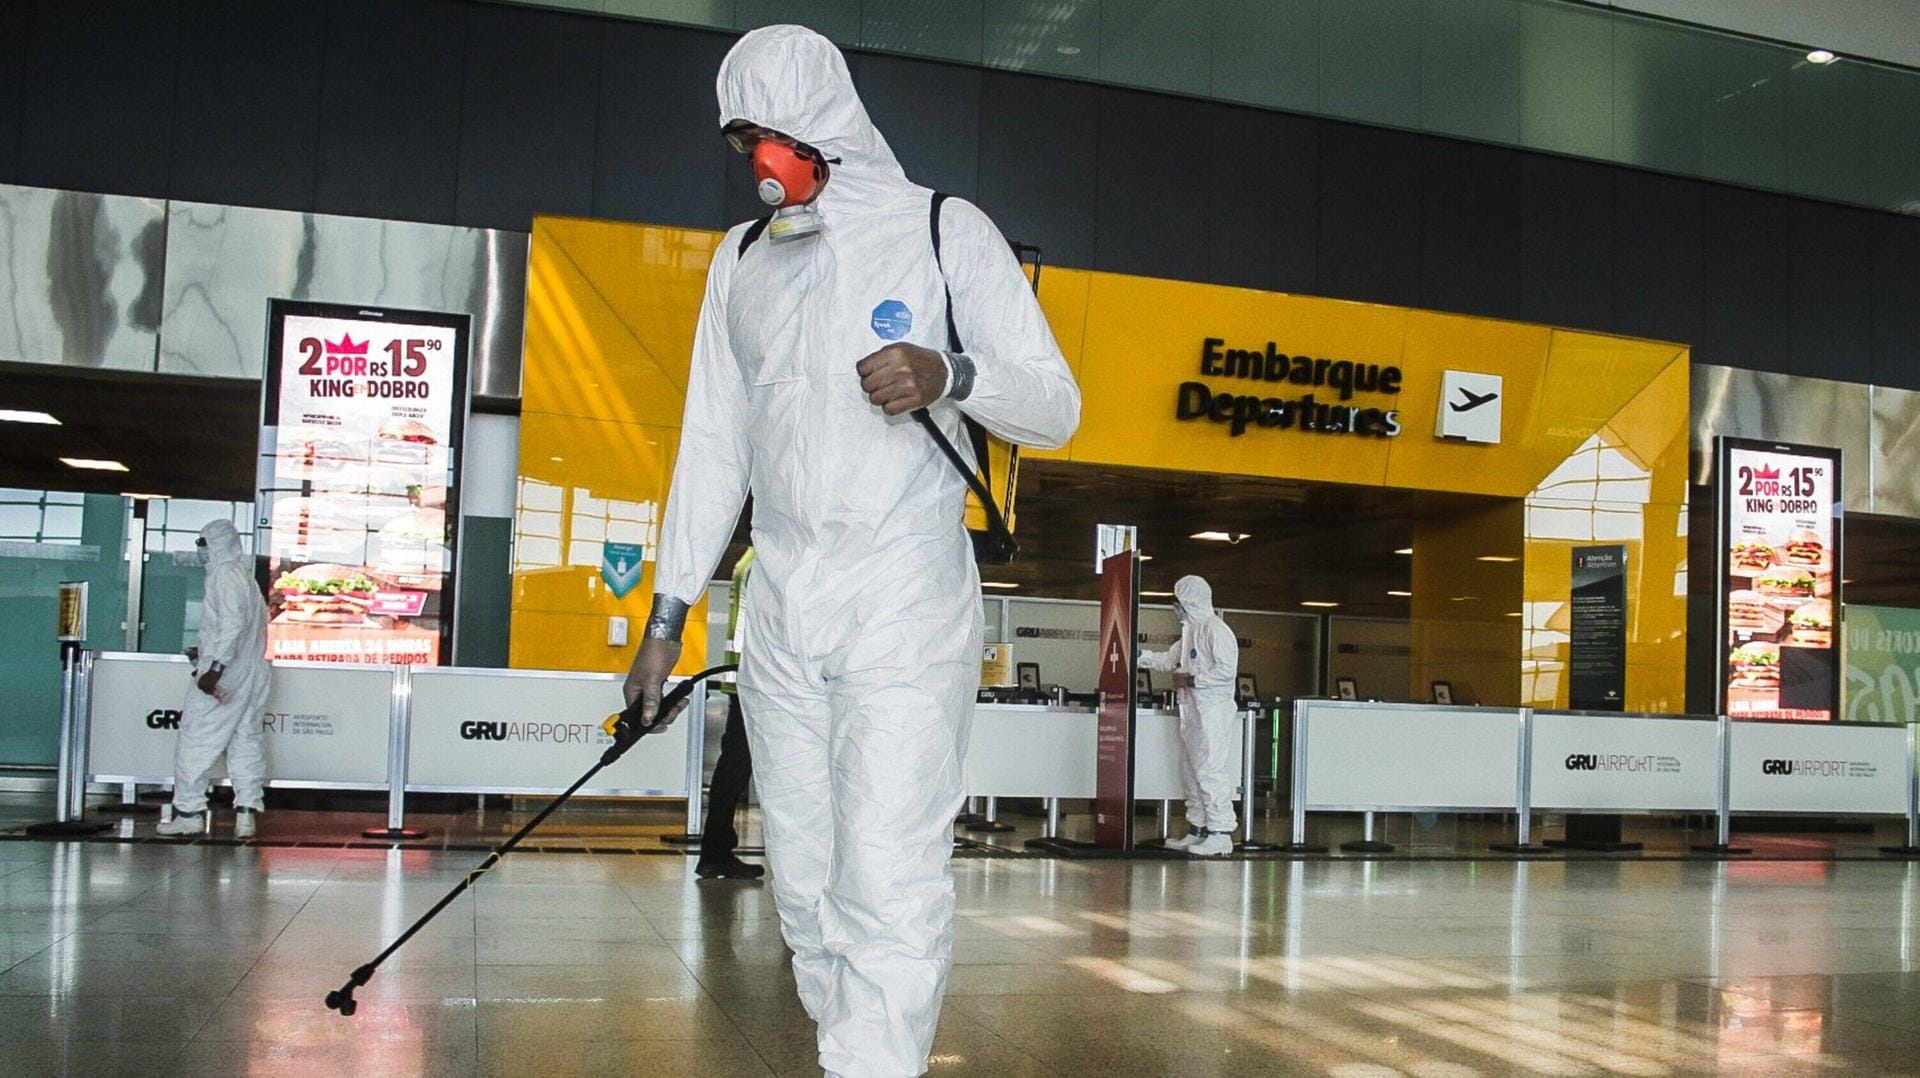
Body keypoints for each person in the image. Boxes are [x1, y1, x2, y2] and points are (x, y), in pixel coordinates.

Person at [623, 24, 1080, 1078]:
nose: (758, 167)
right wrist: (665, 617)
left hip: (903, 588)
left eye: (769, 140)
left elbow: (1055, 402)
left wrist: (951, 374)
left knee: (886, 868)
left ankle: (871, 1065)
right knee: (803, 877)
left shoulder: (941, 229)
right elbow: (709, 448)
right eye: (743, 146)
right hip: (781, 595)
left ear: (821, 124)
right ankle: (856, 1050)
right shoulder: (741, 262)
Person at [157, 519, 271, 838]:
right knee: (245, 741)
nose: (201, 550)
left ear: (217, 544)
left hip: (226, 675)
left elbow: (233, 624)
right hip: (252, 673)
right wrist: (206, 649)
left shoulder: (224, 575)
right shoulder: (247, 580)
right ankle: (247, 814)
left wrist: (214, 667)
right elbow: (246, 627)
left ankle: (190, 812)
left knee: (196, 739)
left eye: (203, 543)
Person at [1138, 575, 1241, 858]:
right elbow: (1168, 661)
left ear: (1191, 602)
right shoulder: (1190, 633)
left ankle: (1220, 833)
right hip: (1193, 712)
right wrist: (1138, 656)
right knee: (1191, 773)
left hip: (1213, 712)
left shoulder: (1216, 630)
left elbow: (1226, 671)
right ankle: (1198, 829)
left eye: (1179, 602)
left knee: (1210, 771)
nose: (1176, 608)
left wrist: (1192, 680)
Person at [696, 547, 763, 881]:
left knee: (732, 766)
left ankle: (717, 849)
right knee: (735, 767)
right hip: (760, 680)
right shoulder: (764, 561)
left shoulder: (748, 559)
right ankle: (716, 851)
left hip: (746, 678)